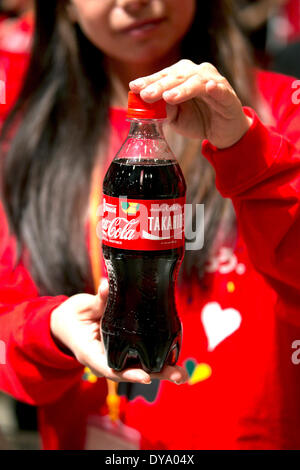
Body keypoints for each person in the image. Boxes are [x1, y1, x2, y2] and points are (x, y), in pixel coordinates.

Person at [0, 0, 300, 450]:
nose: (136, 0)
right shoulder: (29, 140)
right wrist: (51, 329)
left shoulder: (282, 108)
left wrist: (246, 149)